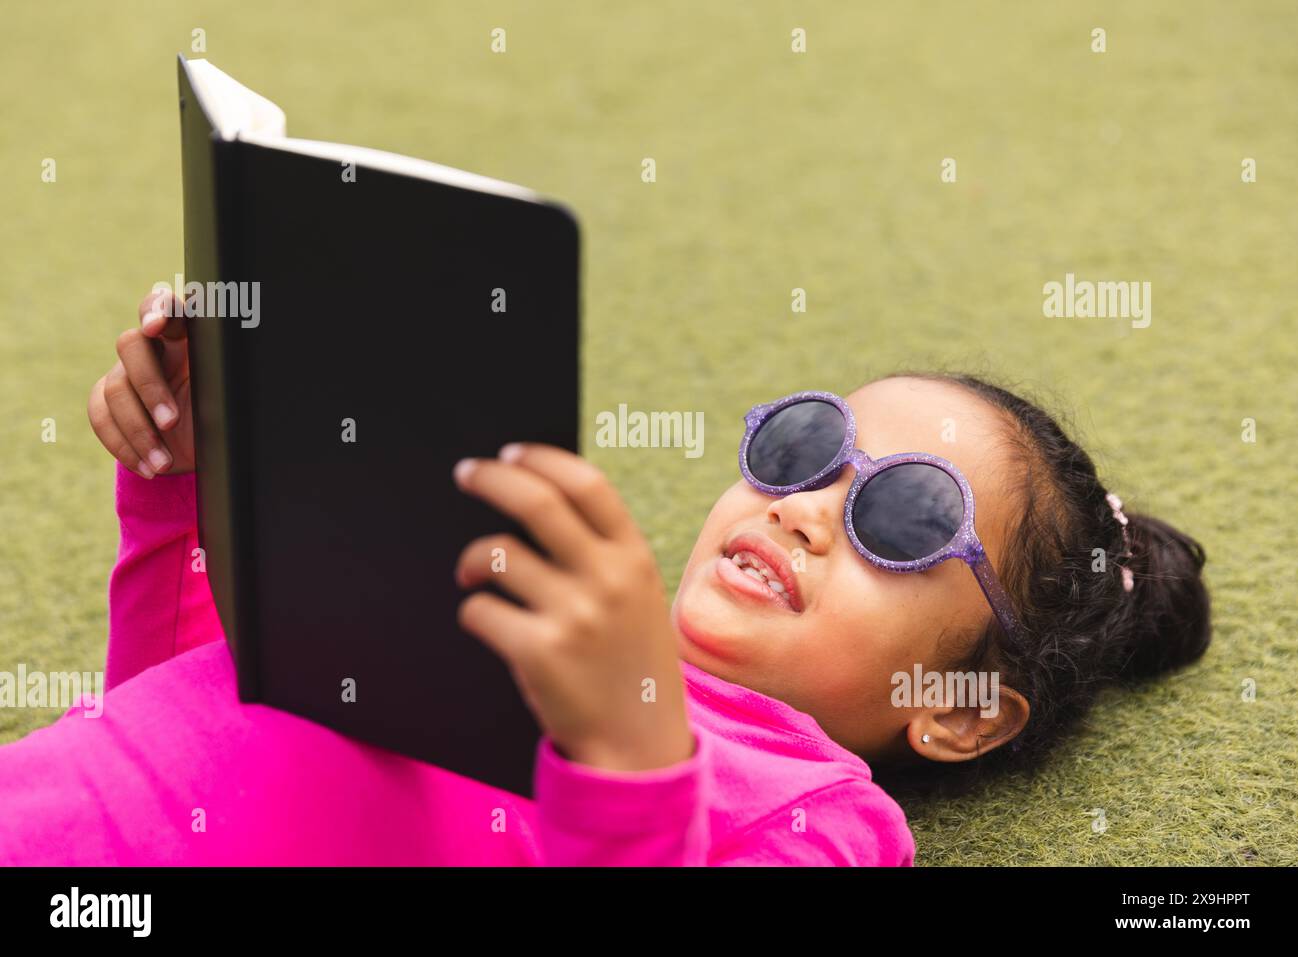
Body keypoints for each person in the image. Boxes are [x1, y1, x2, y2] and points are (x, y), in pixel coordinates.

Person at [0, 290, 1210, 865]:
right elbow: (191, 704)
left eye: (903, 515)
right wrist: (186, 482)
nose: (800, 510)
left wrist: (629, 755)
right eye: (802, 450)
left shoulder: (815, 818)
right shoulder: (510, 601)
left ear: (957, 716)